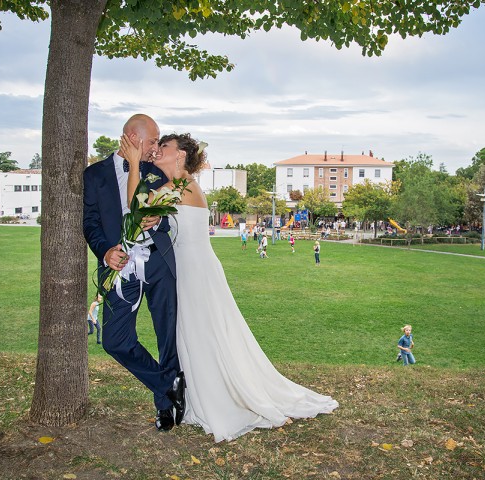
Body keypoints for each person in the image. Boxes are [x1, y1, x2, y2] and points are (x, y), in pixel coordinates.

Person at [121, 132, 338, 442]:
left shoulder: (180, 187)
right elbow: (147, 216)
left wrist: (132, 163)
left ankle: (217, 399)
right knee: (199, 333)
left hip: (195, 270)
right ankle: (199, 396)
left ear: (180, 156)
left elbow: (135, 207)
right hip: (191, 268)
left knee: (204, 333)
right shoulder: (176, 188)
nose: (157, 151)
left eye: (164, 147)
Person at [83, 114, 185, 432]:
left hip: (158, 263)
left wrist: (159, 221)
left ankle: (167, 407)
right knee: (115, 340)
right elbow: (90, 222)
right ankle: (170, 383)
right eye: (153, 141)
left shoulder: (156, 173)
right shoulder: (94, 175)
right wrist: (105, 251)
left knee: (167, 336)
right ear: (132, 137)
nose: (156, 147)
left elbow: (166, 216)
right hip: (121, 268)